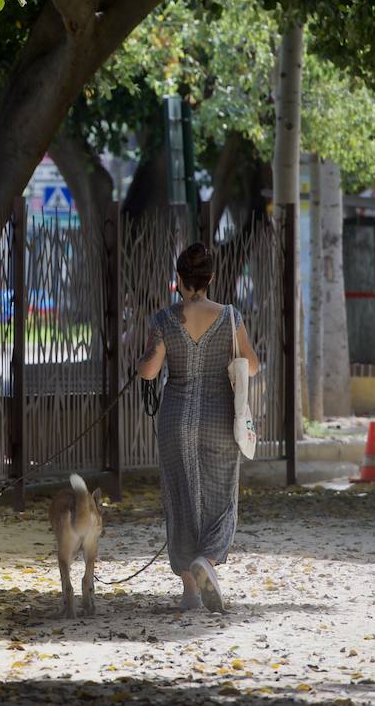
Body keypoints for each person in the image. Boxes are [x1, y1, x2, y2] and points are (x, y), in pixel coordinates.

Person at [137, 242, 259, 612]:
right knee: (220, 497)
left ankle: (189, 591)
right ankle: (208, 558)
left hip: (175, 421)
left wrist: (143, 357)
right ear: (210, 278)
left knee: (180, 500)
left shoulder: (164, 320)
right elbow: (251, 365)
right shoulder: (230, 317)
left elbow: (149, 371)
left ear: (179, 280)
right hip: (219, 419)